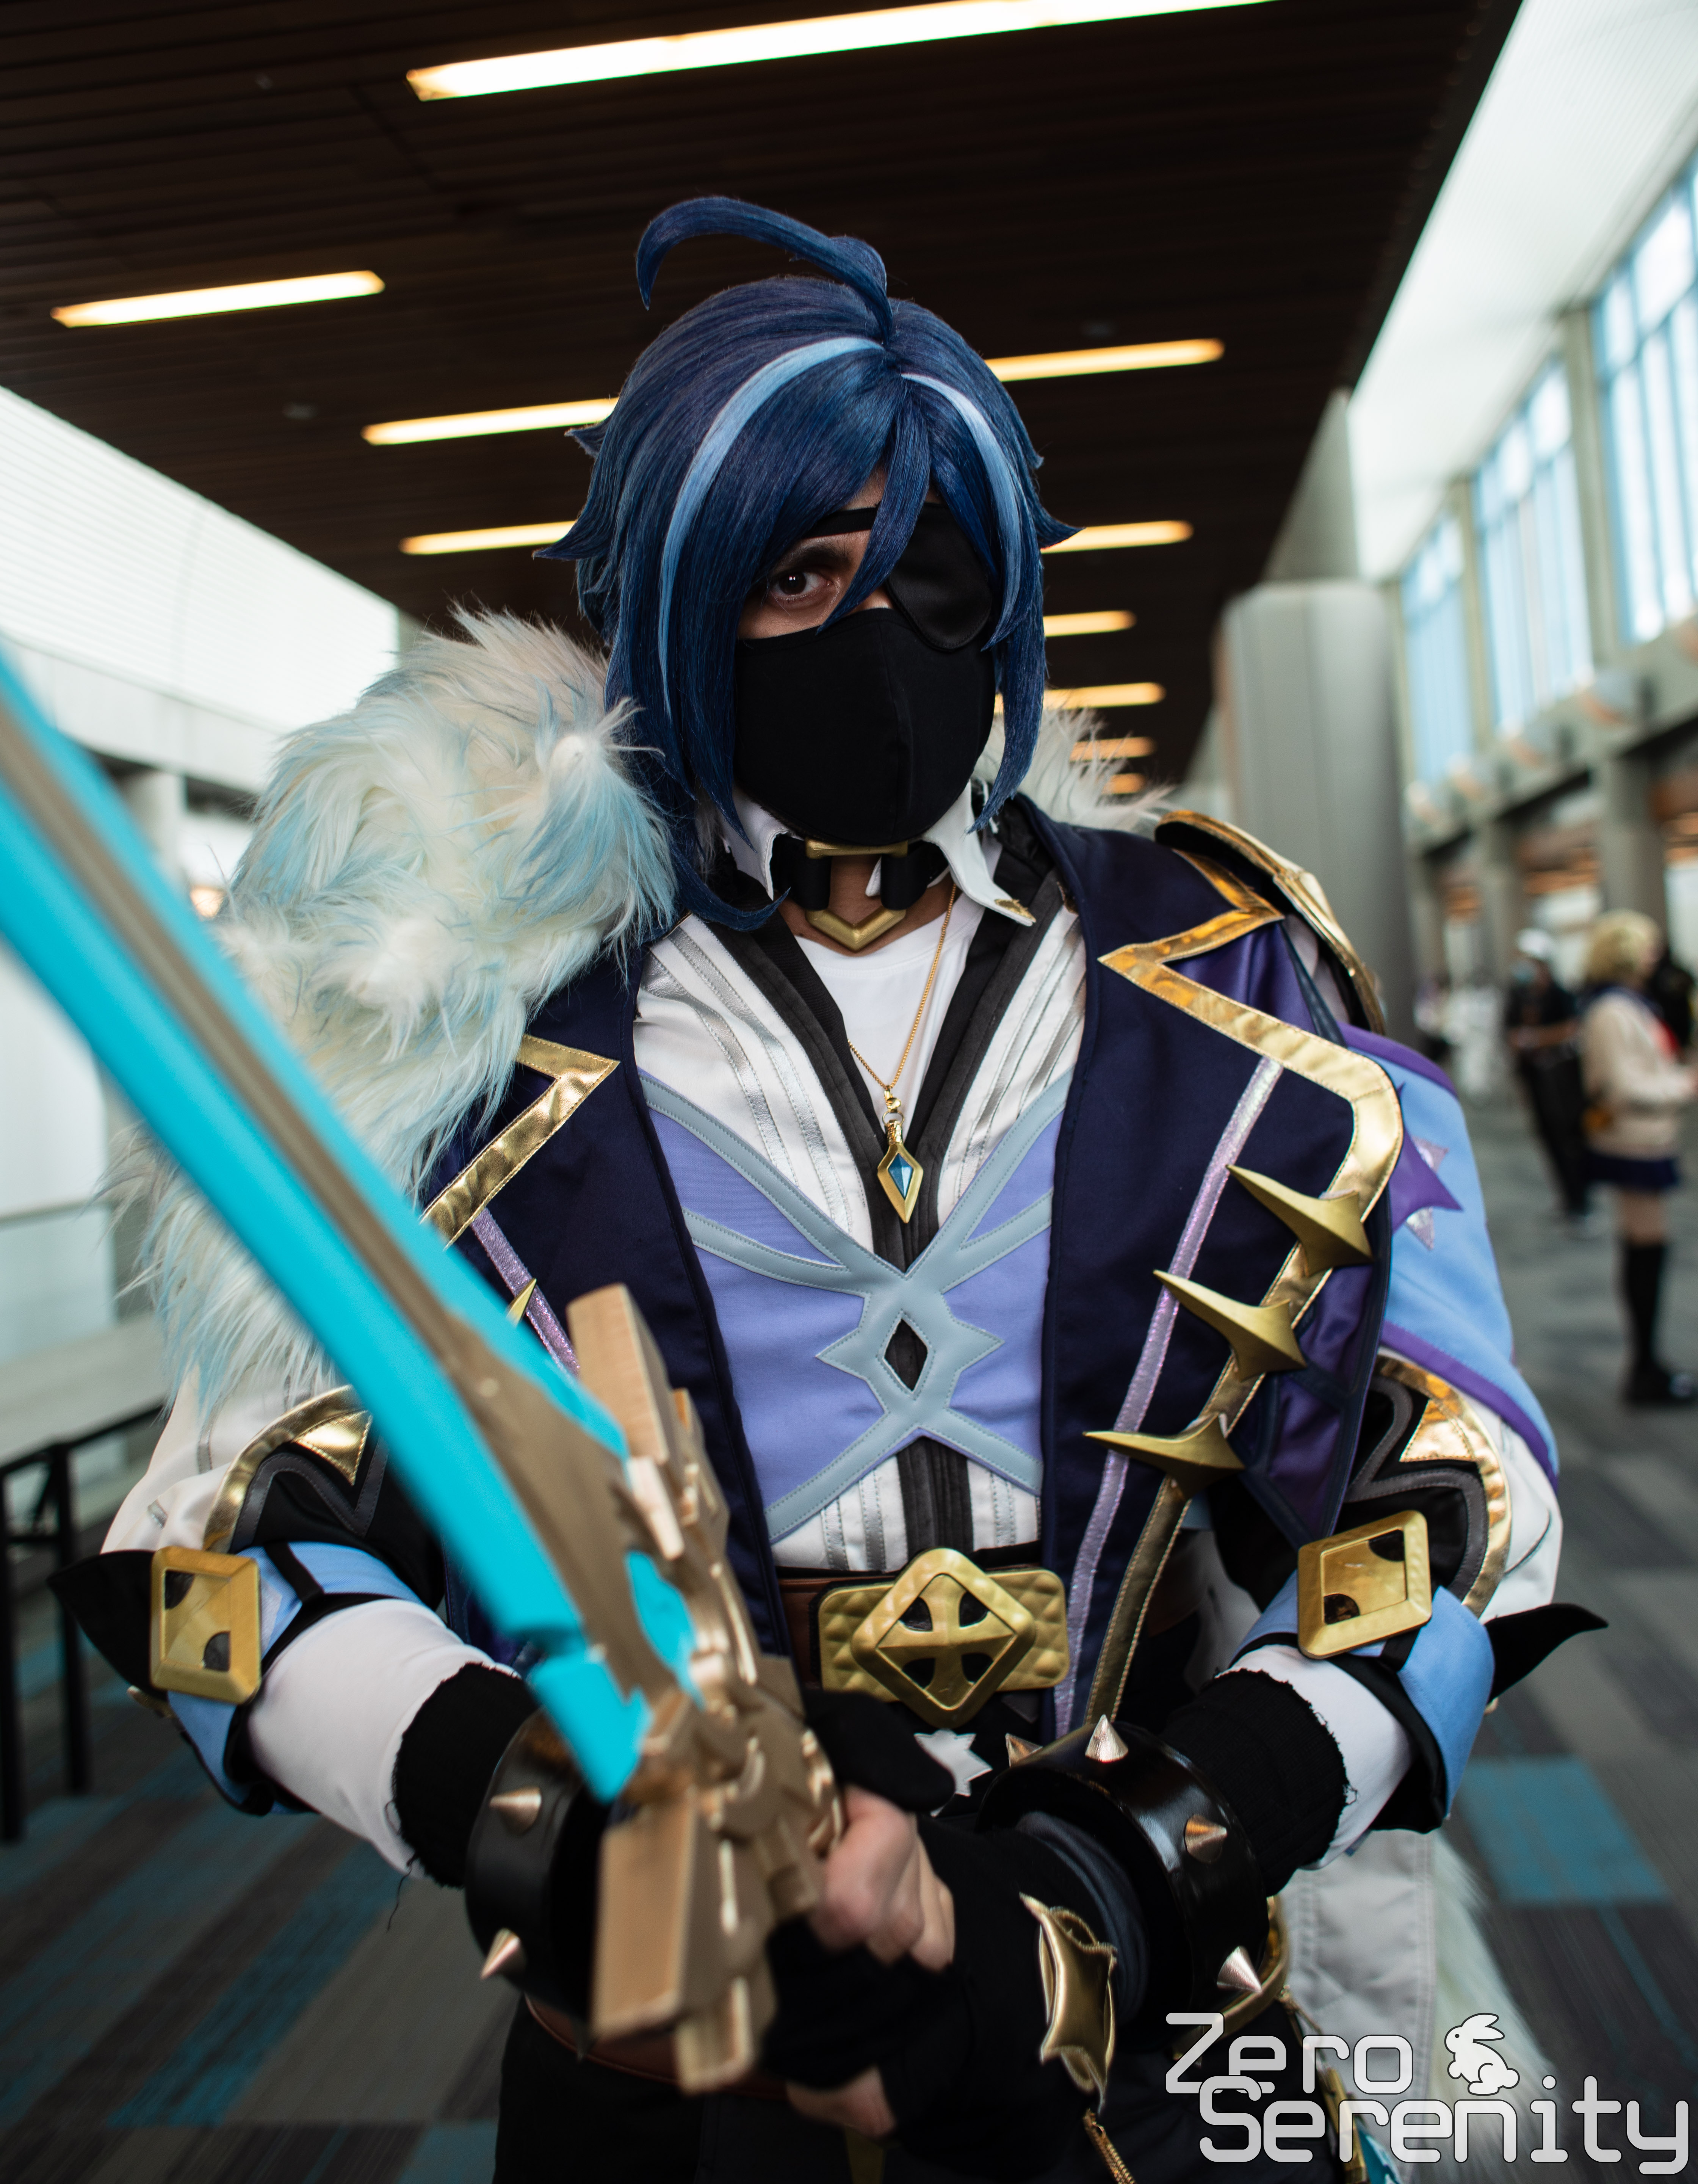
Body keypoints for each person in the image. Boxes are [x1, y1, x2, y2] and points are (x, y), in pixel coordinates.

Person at [70, 201, 1571, 2183]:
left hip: (1154, 2007)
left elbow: (1467, 1490)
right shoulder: (467, 1016)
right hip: (671, 2050)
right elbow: (212, 1558)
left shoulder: (1228, 972)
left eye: (934, 566)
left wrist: (1119, 1864)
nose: (878, 629)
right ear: (672, 597)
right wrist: (545, 1812)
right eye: (797, 573)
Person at [1581, 909, 1696, 1405]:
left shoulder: (1626, 1005)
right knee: (1646, 1249)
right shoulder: (1612, 1010)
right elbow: (1623, 1086)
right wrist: (1684, 1085)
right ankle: (1645, 1368)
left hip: (1644, 1137)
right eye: (1646, 947)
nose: (1654, 957)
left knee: (1648, 1247)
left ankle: (1647, 1364)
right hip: (1633, 1139)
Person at [1503, 928, 1592, 1230]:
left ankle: (1581, 1202)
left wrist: (1538, 1038)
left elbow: (1572, 1028)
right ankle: (1567, 1199)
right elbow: (1510, 1031)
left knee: (1571, 1139)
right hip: (1534, 1079)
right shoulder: (1519, 996)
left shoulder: (1560, 994)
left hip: (1562, 1080)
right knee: (1548, 1138)